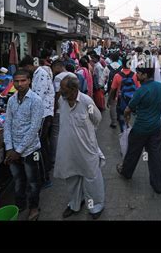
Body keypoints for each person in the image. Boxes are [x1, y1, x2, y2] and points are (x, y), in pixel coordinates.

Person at [54, 76, 105, 220]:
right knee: (71, 176)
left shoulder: (86, 101)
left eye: (63, 89)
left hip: (86, 147)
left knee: (91, 177)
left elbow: (97, 119)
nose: (60, 92)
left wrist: (87, 134)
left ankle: (96, 206)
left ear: (74, 89)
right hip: (68, 147)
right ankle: (75, 204)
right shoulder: (61, 100)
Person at [116, 66, 161, 194]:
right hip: (156, 128)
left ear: (145, 75)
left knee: (132, 153)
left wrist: (127, 119)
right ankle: (158, 185)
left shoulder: (141, 91)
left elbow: (128, 109)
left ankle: (126, 172)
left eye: (139, 74)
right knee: (155, 156)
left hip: (140, 128)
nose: (136, 76)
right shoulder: (160, 87)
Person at [3, 69, 44, 221]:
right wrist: (9, 148)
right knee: (18, 180)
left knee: (33, 181)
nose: (19, 84)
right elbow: (7, 124)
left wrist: (18, 150)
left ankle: (34, 207)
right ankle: (20, 205)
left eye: (23, 81)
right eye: (16, 81)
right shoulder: (12, 100)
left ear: (29, 81)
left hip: (30, 149)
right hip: (13, 149)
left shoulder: (36, 100)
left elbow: (34, 128)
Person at [19, 55, 55, 188]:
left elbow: (37, 98)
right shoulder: (38, 74)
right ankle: (46, 171)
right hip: (43, 114)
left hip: (43, 115)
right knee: (43, 144)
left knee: (38, 146)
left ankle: (44, 178)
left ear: (29, 66)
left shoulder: (40, 75)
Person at [51, 61, 77, 165]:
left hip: (60, 109)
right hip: (73, 108)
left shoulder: (58, 78)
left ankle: (55, 158)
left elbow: (57, 94)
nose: (52, 71)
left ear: (58, 67)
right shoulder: (73, 75)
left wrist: (54, 108)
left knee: (55, 134)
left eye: (53, 68)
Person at [109, 56, 140, 133]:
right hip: (132, 99)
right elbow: (138, 88)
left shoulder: (117, 75)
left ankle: (124, 130)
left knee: (121, 116)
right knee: (128, 114)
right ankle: (127, 125)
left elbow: (113, 89)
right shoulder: (135, 75)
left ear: (122, 65)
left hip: (120, 99)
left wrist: (109, 100)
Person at [102, 52, 122, 128]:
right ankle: (119, 118)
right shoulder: (122, 67)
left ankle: (113, 122)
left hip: (112, 88)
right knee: (119, 104)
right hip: (120, 89)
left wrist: (103, 87)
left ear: (111, 58)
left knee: (112, 105)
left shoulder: (107, 67)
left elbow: (102, 79)